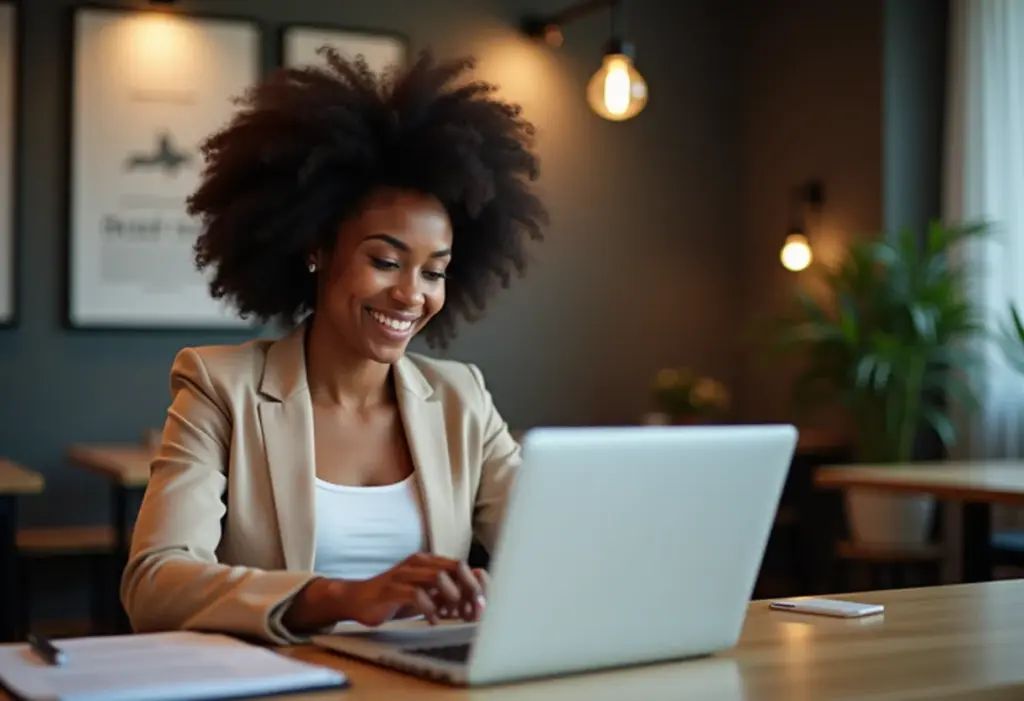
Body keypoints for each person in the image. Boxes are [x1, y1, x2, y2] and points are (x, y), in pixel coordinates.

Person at [120, 48, 548, 644]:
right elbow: (154, 585)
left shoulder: (461, 399)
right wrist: (342, 597)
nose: (410, 294)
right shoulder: (221, 387)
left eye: (434, 272)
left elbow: (551, 554)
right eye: (386, 261)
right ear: (317, 249)